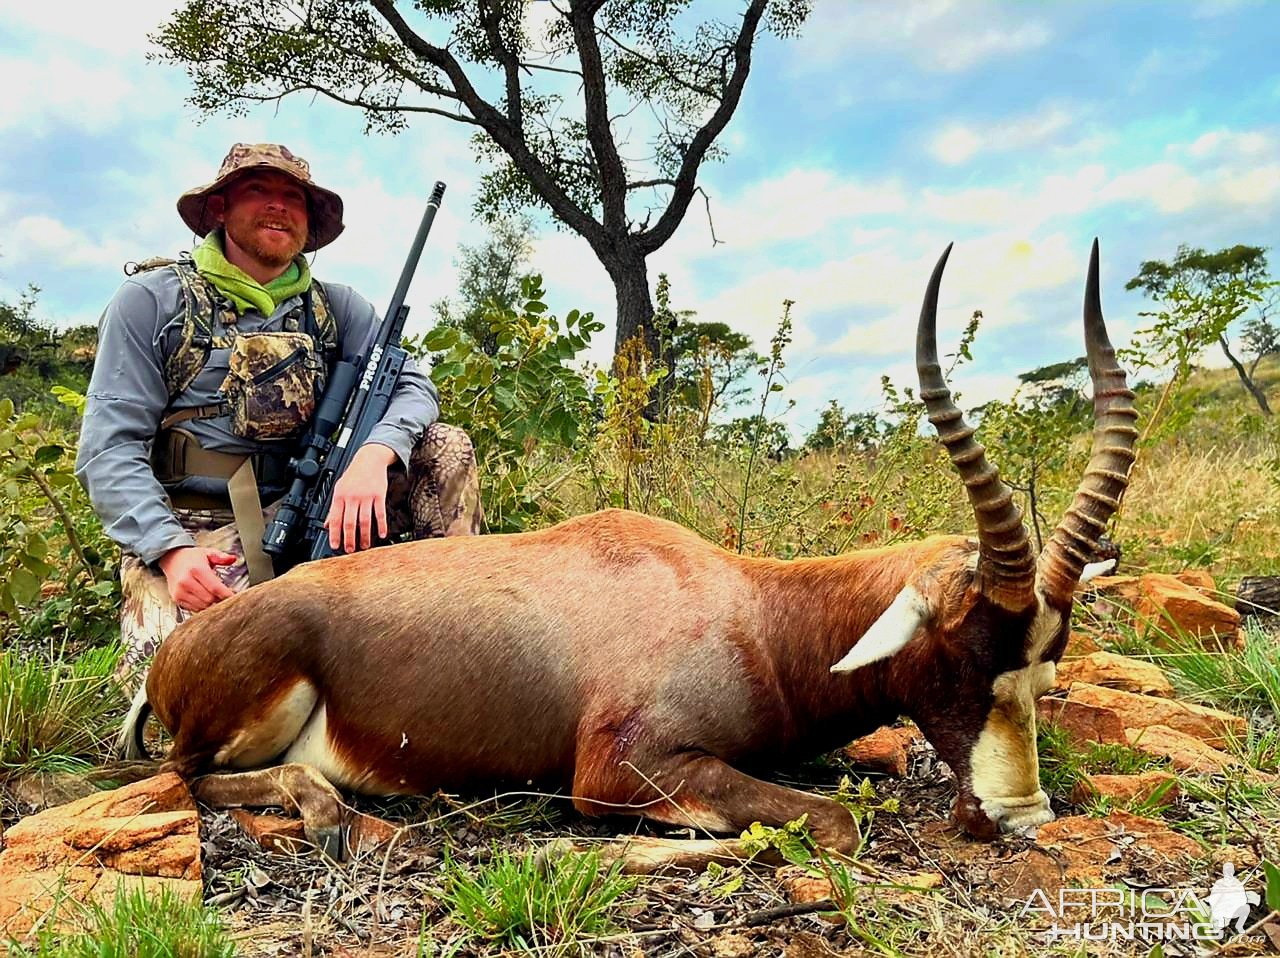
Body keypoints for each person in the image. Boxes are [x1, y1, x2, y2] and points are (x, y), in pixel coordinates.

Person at [76, 143, 482, 680]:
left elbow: (411, 385)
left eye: (293, 197)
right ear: (220, 208)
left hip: (316, 509)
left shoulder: (337, 307)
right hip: (196, 530)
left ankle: (463, 644)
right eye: (258, 190)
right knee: (189, 700)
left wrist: (372, 457)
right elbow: (108, 451)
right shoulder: (152, 302)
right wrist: (171, 552)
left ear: (308, 221)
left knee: (444, 446)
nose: (278, 206)